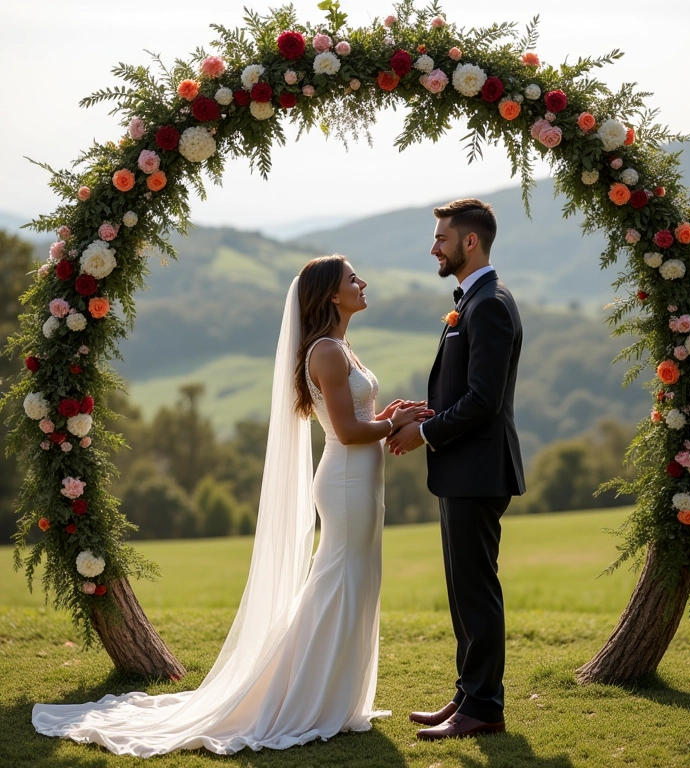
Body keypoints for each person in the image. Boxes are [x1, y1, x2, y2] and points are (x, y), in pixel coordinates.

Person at [32, 255, 431, 757]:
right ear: (331, 293)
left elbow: (357, 417)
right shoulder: (326, 351)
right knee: (338, 581)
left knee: (356, 577)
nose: (363, 282)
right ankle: (305, 694)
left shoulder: (341, 346)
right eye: (353, 278)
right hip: (347, 479)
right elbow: (348, 432)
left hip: (362, 477)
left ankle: (336, 692)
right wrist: (391, 427)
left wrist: (389, 413)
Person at [387, 199, 525, 740]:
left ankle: (486, 707)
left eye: (441, 238)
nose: (433, 247)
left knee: (476, 590)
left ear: (470, 242)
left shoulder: (489, 304)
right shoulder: (472, 301)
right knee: (461, 587)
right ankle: (468, 695)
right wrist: (425, 414)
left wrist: (424, 432)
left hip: (478, 470)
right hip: (462, 469)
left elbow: (483, 400)